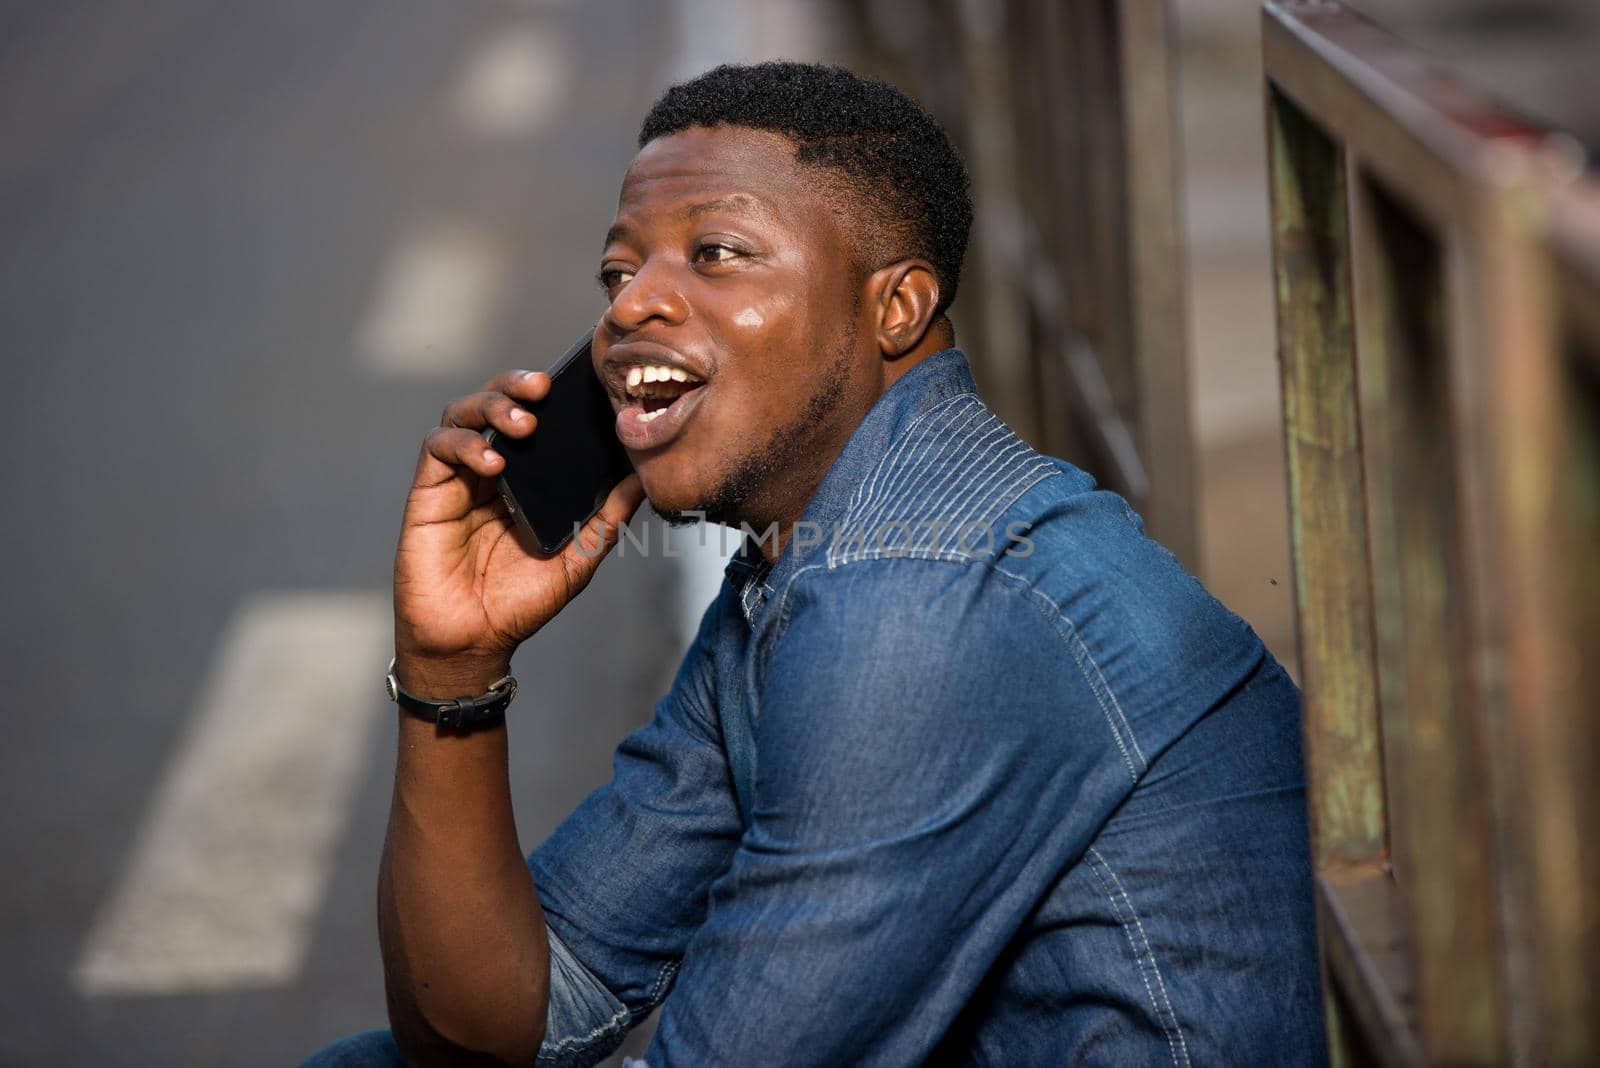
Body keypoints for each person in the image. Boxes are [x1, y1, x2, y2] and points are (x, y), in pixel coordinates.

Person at [306, 62, 1324, 1067]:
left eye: (716, 252)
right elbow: (498, 1025)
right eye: (621, 271)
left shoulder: (919, 605)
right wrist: (451, 672)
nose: (630, 308)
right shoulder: (801, 576)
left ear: (896, 310)